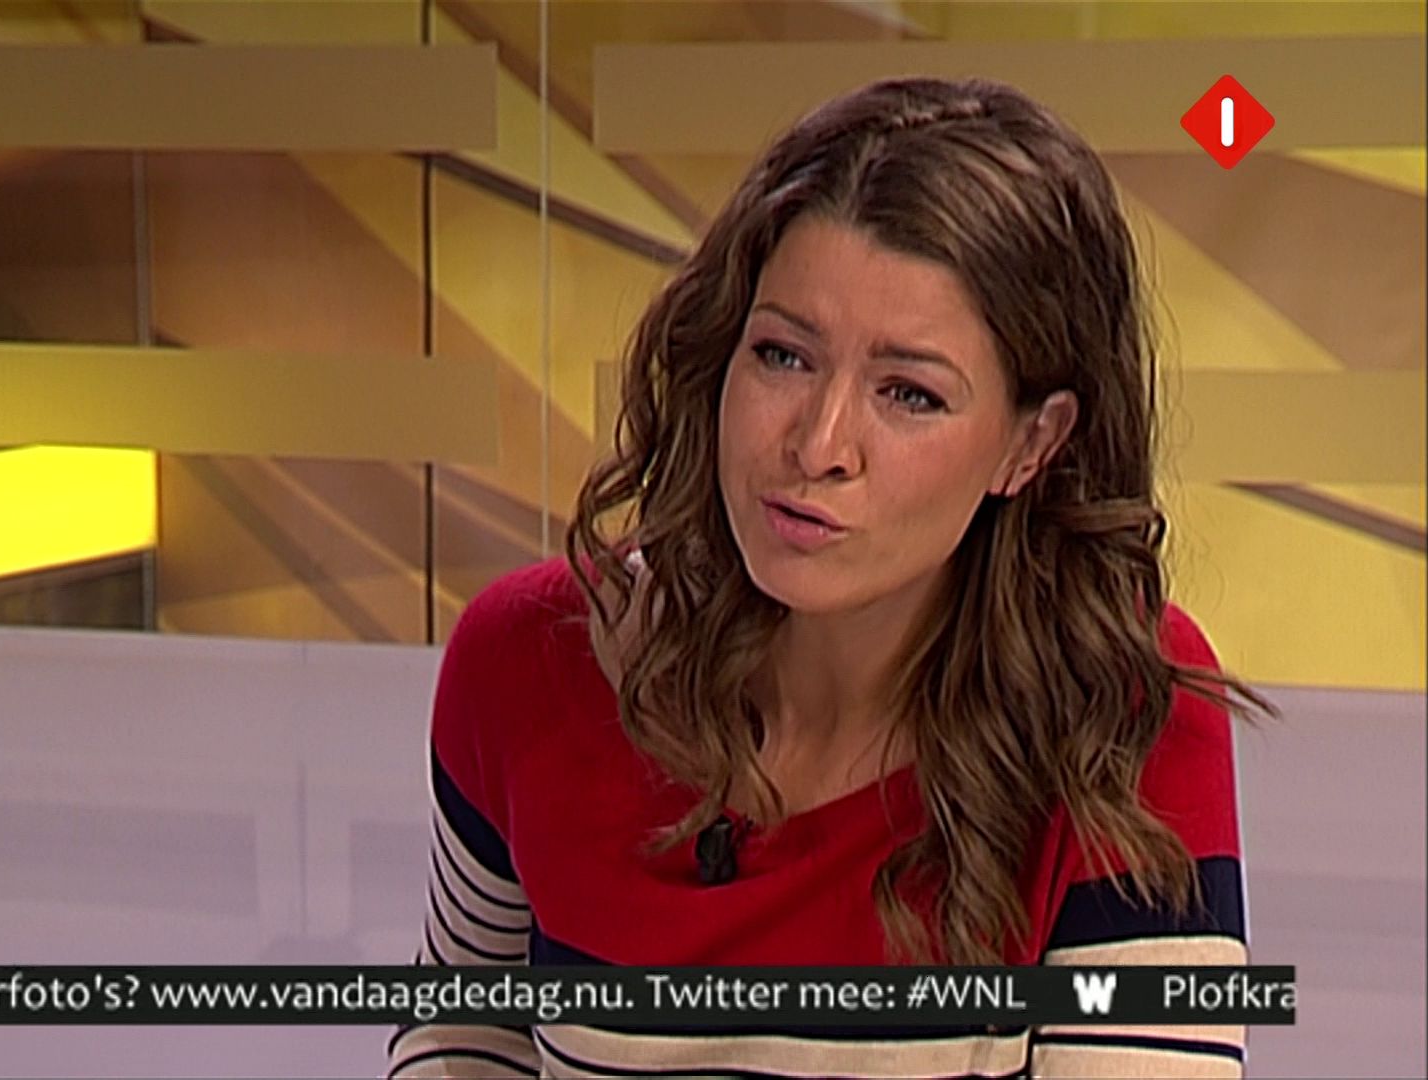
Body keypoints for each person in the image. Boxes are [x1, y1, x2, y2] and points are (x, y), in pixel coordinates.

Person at [385, 75, 1273, 1079]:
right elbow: (465, 1032)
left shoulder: (1121, 709)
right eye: (783, 356)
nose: (818, 446)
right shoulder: (530, 660)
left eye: (909, 394)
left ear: (1032, 443)